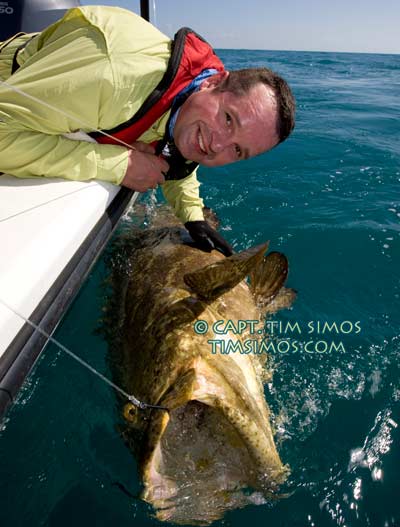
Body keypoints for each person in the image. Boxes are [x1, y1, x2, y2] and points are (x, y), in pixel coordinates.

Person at [0, 5, 295, 256]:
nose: (217, 146)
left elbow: (178, 157)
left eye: (237, 150)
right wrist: (118, 165)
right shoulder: (112, 79)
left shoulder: (194, 107)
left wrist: (192, 216)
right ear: (213, 82)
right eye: (229, 119)